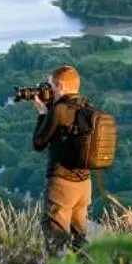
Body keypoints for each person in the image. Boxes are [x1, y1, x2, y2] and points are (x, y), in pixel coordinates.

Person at [29, 63, 91, 251]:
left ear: (60, 86)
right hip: (84, 185)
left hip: (62, 184)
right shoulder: (87, 107)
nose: (49, 91)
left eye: (51, 86)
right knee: (79, 241)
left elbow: (39, 142)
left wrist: (42, 113)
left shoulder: (60, 109)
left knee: (55, 240)